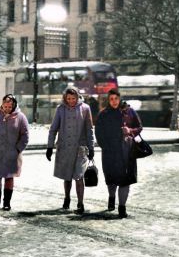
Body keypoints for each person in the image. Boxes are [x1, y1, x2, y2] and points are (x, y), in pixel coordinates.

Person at [95, 88, 143, 218]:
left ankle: (122, 207)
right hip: (110, 152)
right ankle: (111, 197)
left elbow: (139, 127)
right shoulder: (103, 114)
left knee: (125, 180)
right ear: (108, 100)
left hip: (127, 151)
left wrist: (130, 131)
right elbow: (98, 133)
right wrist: (105, 146)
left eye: (116, 98)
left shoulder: (129, 111)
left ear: (119, 98)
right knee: (111, 179)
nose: (114, 101)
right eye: (111, 99)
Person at [46, 87, 95, 214]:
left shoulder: (85, 108)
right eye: (68, 99)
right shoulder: (60, 109)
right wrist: (49, 147)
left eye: (73, 98)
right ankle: (67, 198)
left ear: (78, 97)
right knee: (67, 176)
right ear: (65, 98)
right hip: (65, 148)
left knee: (79, 177)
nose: (71, 101)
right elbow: (53, 129)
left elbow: (89, 129)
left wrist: (91, 147)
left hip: (80, 148)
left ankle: (80, 203)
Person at [0, 94, 29, 213]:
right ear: (2, 104)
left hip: (11, 155)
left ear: (14, 105)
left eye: (9, 106)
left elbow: (25, 136)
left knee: (9, 178)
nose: (7, 108)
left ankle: (7, 203)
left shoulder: (21, 117)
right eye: (5, 106)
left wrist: (18, 149)